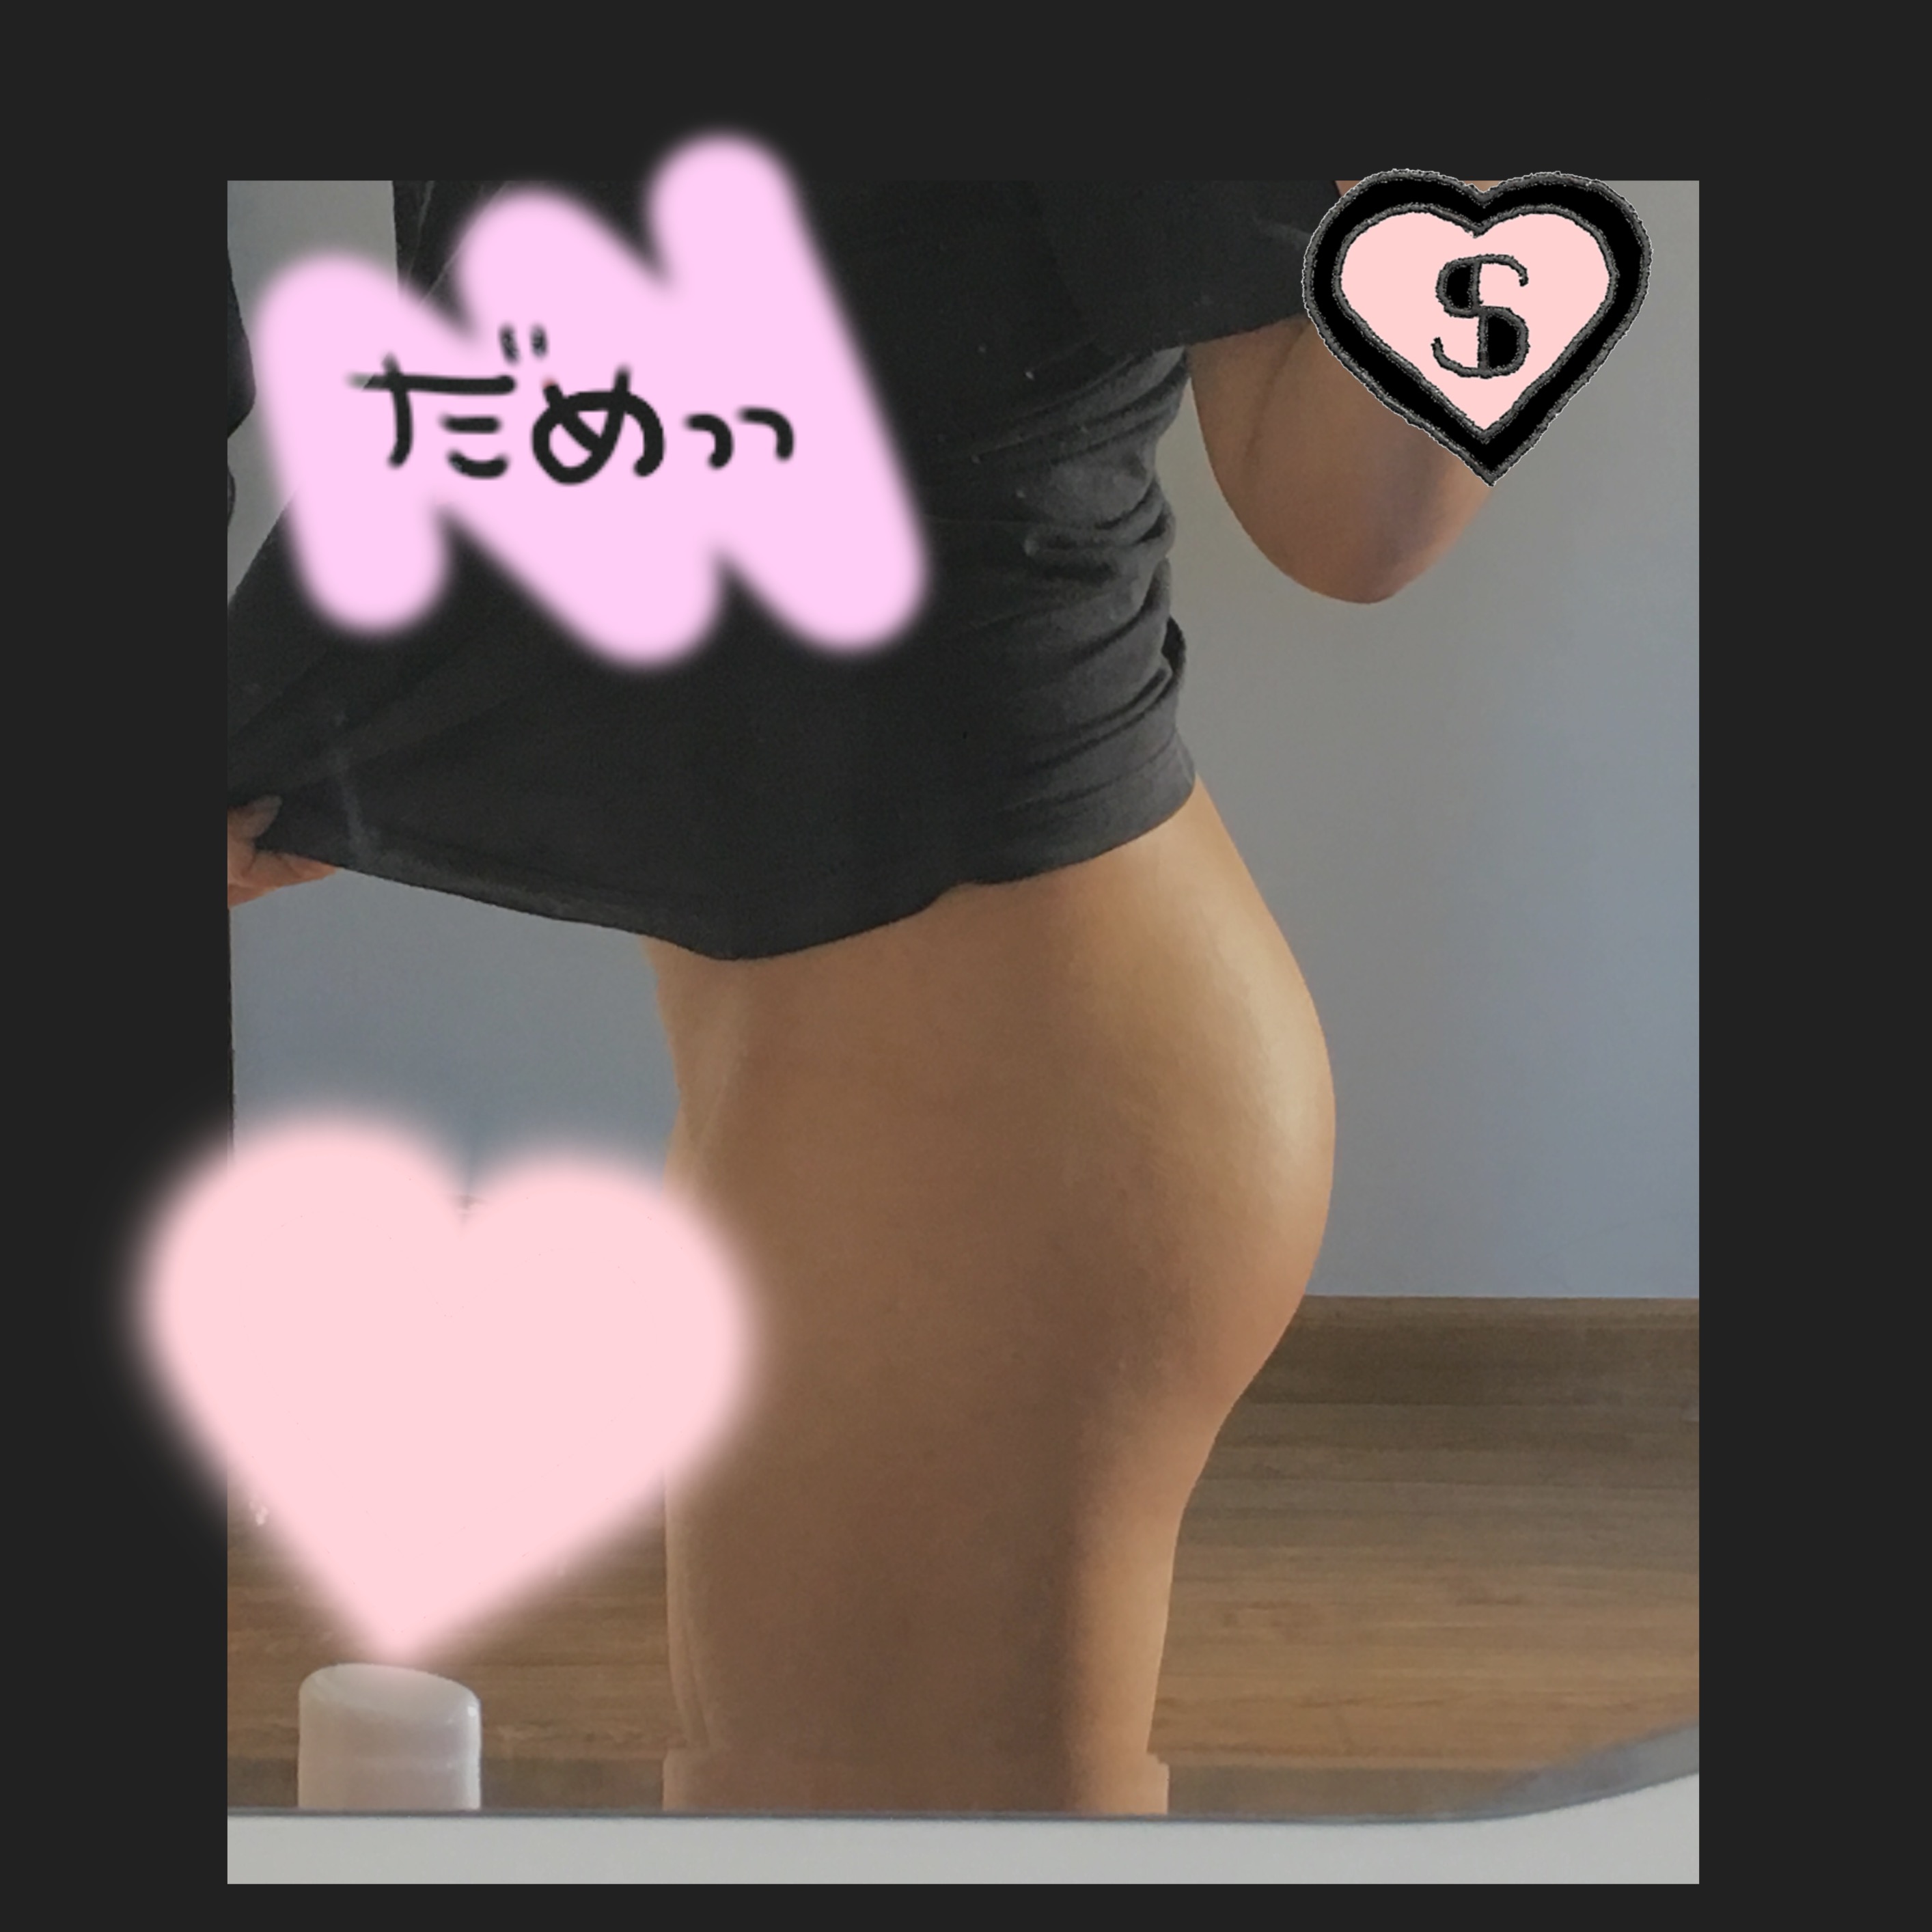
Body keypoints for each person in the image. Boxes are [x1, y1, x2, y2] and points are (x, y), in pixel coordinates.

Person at [227, 175, 1493, 1814]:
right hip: (850, 1059)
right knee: (768, 1807)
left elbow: (1352, 514)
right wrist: (311, 707)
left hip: (1020, 1077)